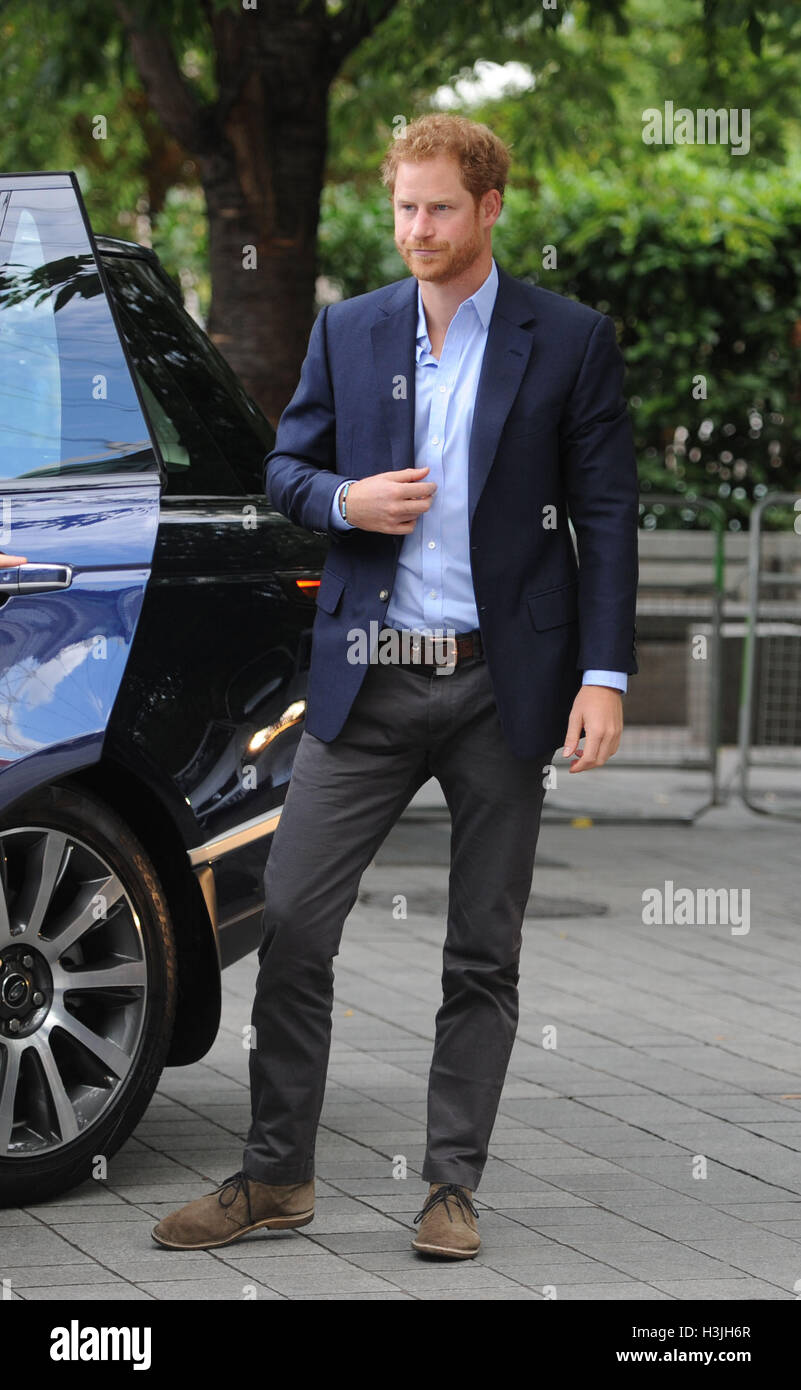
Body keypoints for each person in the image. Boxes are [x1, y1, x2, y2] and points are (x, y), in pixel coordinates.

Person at [153, 112, 638, 1261]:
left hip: (499, 682)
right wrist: (344, 502)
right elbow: (283, 470)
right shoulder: (350, 328)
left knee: (482, 949)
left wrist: (605, 676)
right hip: (367, 678)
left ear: (489, 210)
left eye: (440, 209)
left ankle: (451, 1189)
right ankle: (277, 1179)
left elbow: (608, 513)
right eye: (404, 209)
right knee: (298, 929)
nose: (417, 229)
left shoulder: (568, 340)